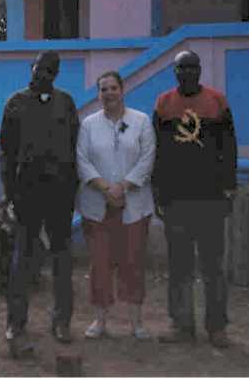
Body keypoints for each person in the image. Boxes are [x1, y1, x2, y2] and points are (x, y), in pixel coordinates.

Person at [152, 50, 238, 348]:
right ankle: (181, 325)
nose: (186, 73)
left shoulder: (217, 102)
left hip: (211, 198)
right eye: (181, 68)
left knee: (213, 267)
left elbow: (229, 149)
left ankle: (217, 327)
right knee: (179, 267)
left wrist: (229, 189)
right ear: (174, 72)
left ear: (200, 70)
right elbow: (157, 152)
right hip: (176, 200)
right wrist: (158, 193)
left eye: (191, 67)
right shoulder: (164, 104)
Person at [0, 50, 80, 356]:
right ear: (31, 68)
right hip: (27, 195)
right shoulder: (15, 103)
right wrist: (11, 194)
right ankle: (15, 323)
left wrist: (71, 190)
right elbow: (7, 154)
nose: (43, 74)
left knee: (62, 261)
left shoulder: (66, 103)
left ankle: (62, 322)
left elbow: (74, 148)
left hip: (59, 195)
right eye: (39, 68)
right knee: (22, 260)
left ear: (56, 75)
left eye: (49, 70)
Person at [76, 70, 156, 340]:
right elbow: (82, 160)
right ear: (98, 94)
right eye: (103, 89)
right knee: (100, 264)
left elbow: (147, 158)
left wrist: (123, 186)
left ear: (122, 90)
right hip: (97, 207)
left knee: (133, 262)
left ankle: (136, 322)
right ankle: (100, 321)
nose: (108, 93)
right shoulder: (88, 125)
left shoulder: (141, 121)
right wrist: (105, 187)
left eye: (113, 88)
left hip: (134, 206)